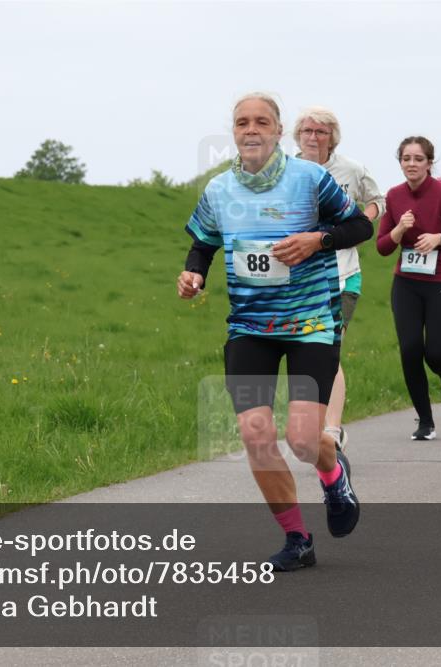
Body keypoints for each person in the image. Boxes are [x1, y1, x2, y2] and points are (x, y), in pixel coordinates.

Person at [177, 93, 372, 571]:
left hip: (310, 324)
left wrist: (317, 240)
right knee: (255, 433)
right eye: (242, 122)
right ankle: (297, 538)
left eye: (261, 121)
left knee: (304, 441)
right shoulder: (219, 189)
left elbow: (359, 227)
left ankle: (333, 474)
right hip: (250, 326)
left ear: (278, 131)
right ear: (234, 131)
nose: (251, 129)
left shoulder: (311, 179)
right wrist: (194, 273)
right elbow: (203, 243)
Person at [376, 136, 441, 440]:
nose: (411, 164)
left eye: (418, 159)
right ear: (400, 162)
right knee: (410, 351)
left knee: (436, 352)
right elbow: (382, 247)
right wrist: (399, 229)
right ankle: (425, 421)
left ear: (429, 163)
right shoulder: (394, 196)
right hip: (407, 282)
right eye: (406, 158)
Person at [293, 106, 384, 452]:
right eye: (307, 131)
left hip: (343, 275)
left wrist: (361, 222)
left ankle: (332, 430)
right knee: (306, 352)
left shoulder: (351, 169)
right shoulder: (286, 171)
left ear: (332, 138)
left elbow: (377, 200)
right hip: (300, 277)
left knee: (330, 348)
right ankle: (313, 426)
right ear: (297, 136)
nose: (313, 137)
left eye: (321, 132)